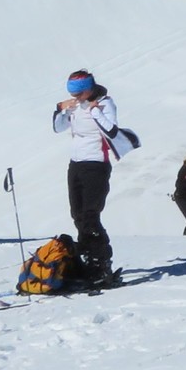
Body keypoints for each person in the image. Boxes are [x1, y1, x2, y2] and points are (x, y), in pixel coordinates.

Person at [52, 69, 119, 280]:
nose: (76, 97)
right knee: (78, 215)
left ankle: (102, 263)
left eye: (79, 93)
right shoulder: (76, 106)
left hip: (96, 165)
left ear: (89, 88)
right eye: (73, 94)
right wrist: (60, 110)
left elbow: (112, 131)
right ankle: (89, 261)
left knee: (91, 216)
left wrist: (95, 111)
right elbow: (57, 128)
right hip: (76, 165)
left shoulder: (106, 103)